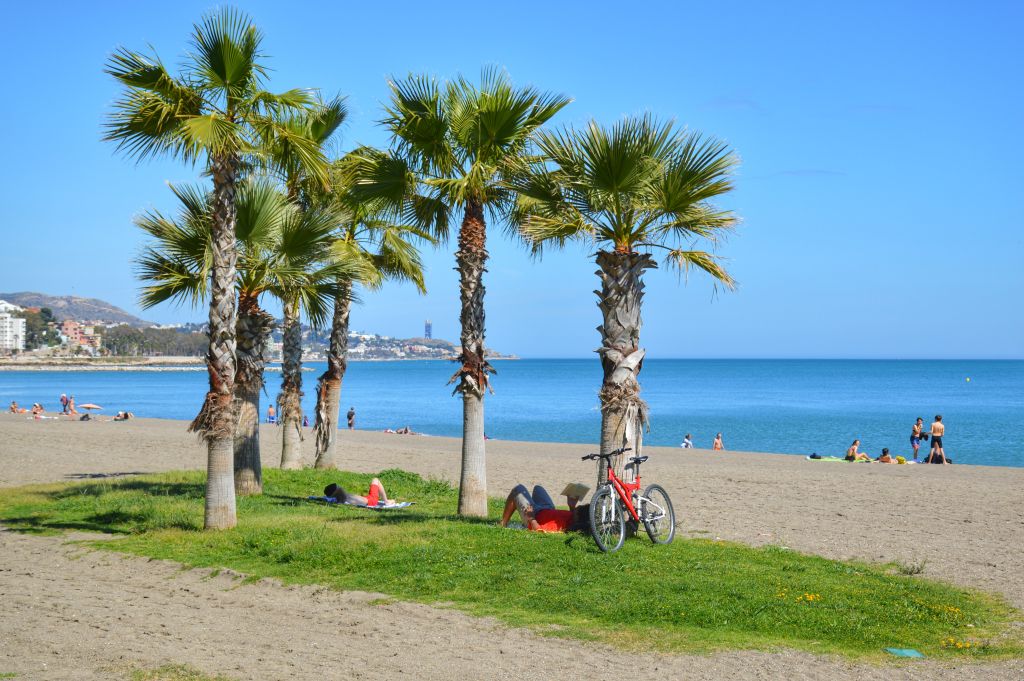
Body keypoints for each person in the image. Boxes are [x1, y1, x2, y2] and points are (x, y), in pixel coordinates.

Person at [500, 483, 590, 533]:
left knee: (518, 488)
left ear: (578, 517)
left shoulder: (560, 526)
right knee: (538, 487)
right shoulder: (573, 519)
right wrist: (571, 506)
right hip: (547, 508)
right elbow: (573, 517)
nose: (575, 509)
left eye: (577, 509)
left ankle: (503, 523)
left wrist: (531, 518)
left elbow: (539, 530)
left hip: (534, 514)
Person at [324, 479, 399, 507]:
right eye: (338, 487)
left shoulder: (340, 497)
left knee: (375, 481)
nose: (340, 487)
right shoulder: (343, 498)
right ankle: (387, 501)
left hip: (367, 498)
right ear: (337, 491)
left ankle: (388, 501)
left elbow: (330, 497)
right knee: (376, 480)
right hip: (371, 501)